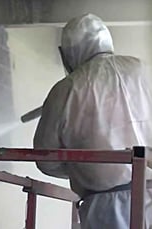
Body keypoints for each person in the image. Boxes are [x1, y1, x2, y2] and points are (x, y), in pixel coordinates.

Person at [33, 13, 152, 229]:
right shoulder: (144, 70)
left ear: (65, 53)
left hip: (106, 206)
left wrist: (82, 166)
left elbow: (45, 159)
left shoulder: (66, 89)